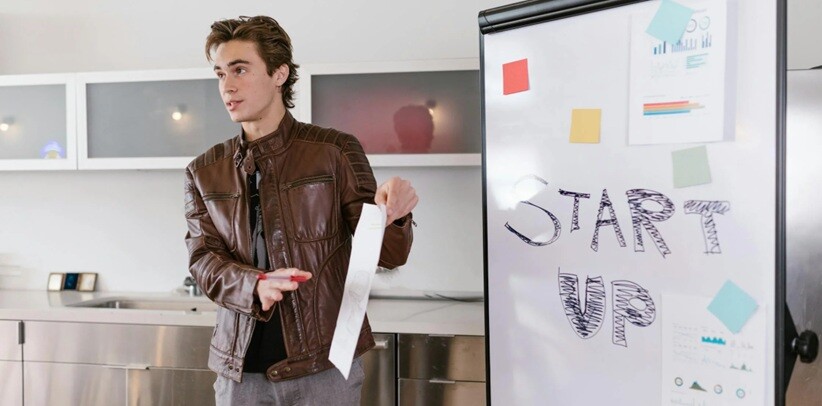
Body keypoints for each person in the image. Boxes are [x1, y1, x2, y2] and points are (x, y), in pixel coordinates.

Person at [184, 15, 417, 405]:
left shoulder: (335, 151)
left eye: (240, 69)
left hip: (324, 368)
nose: (227, 85)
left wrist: (395, 216)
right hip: (239, 375)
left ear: (279, 74)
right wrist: (254, 284)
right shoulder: (203, 171)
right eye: (220, 73)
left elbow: (387, 255)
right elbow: (203, 260)